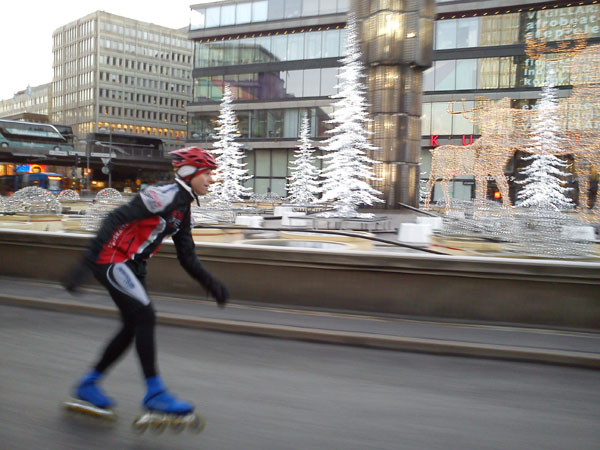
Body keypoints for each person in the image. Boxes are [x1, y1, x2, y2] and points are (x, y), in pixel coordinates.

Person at [63, 146, 229, 415]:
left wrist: (211, 284)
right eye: (207, 173)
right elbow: (115, 217)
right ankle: (155, 393)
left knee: (132, 326)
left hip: (130, 265)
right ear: (188, 172)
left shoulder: (182, 207)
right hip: (112, 259)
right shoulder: (163, 194)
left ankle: (88, 383)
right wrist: (86, 263)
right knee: (145, 316)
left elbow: (187, 256)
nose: (212, 180)